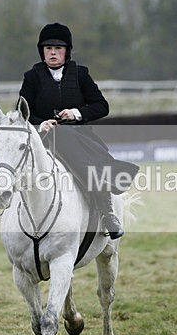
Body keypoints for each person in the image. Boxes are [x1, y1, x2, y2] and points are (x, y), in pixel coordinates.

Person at [19, 22, 139, 239]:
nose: (53, 53)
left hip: (79, 137)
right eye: (48, 48)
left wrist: (76, 113)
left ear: (67, 51)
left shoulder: (81, 74)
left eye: (58, 48)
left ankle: (107, 214)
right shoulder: (32, 77)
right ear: (42, 51)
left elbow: (102, 106)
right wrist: (40, 124)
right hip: (43, 138)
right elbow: (21, 112)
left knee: (90, 162)